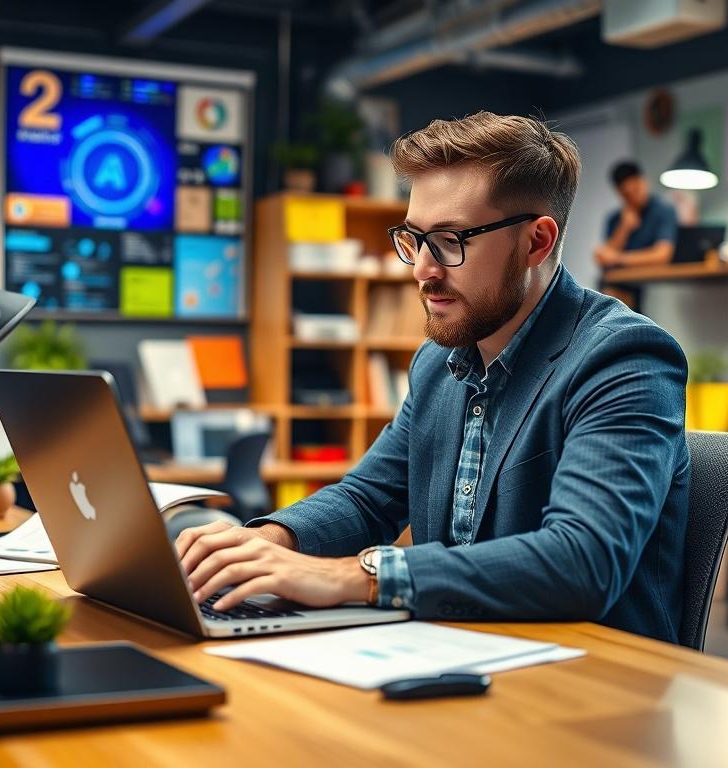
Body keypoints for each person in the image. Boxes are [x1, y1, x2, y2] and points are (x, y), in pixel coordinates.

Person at [177, 112, 690, 643]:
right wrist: (266, 543)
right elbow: (368, 498)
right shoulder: (438, 363)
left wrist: (357, 576)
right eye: (414, 239)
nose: (423, 268)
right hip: (456, 648)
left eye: (449, 239)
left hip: (587, 673)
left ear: (536, 242)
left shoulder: (625, 358)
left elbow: (583, 560)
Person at [594, 160, 678, 270]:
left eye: (636, 190)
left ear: (645, 182)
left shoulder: (663, 210)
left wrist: (618, 258)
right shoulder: (614, 219)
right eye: (628, 194)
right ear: (619, 192)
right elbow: (603, 259)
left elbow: (662, 255)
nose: (634, 197)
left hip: (652, 278)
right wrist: (624, 228)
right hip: (618, 278)